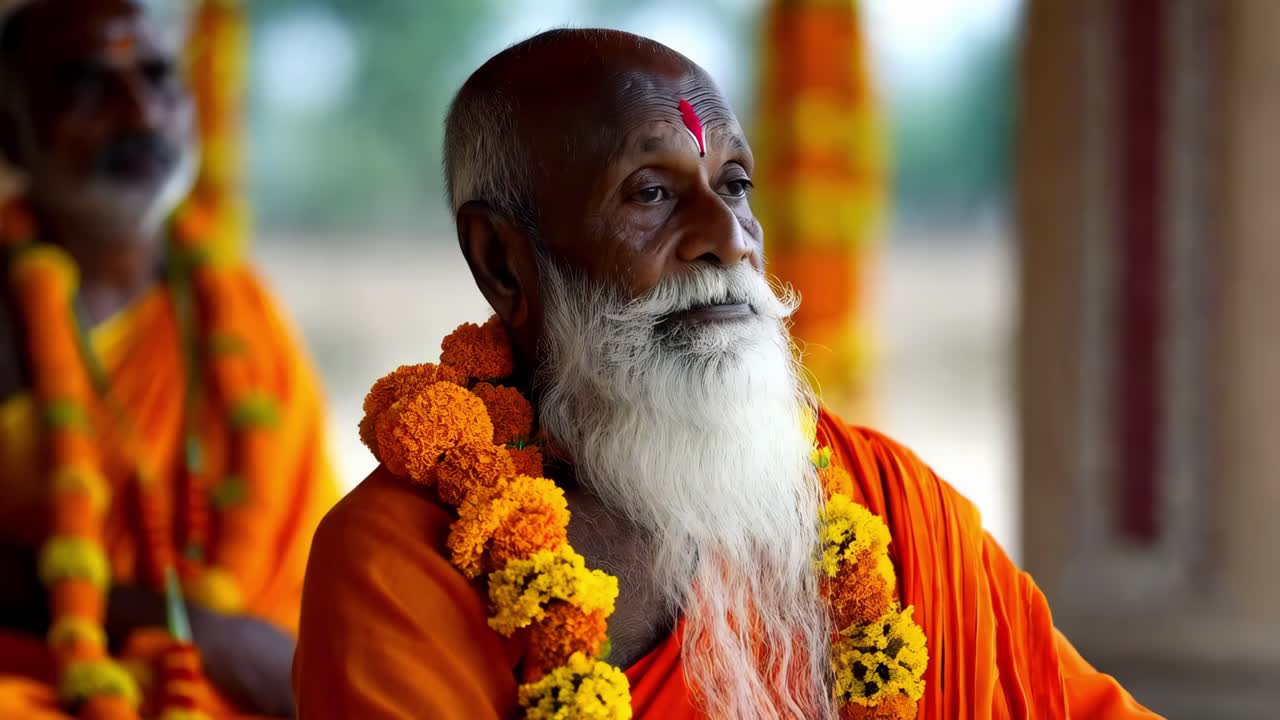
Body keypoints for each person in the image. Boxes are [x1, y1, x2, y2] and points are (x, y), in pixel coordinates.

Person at [293, 29, 1160, 720]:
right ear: (504, 262)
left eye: (734, 183)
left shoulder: (885, 501)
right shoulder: (404, 566)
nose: (730, 239)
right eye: (650, 193)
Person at [0, 0, 337, 717]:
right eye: (89, 86)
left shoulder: (239, 308)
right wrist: (190, 628)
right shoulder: (8, 307)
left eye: (157, 76)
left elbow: (317, 564)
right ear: (11, 130)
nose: (138, 111)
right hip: (53, 677)